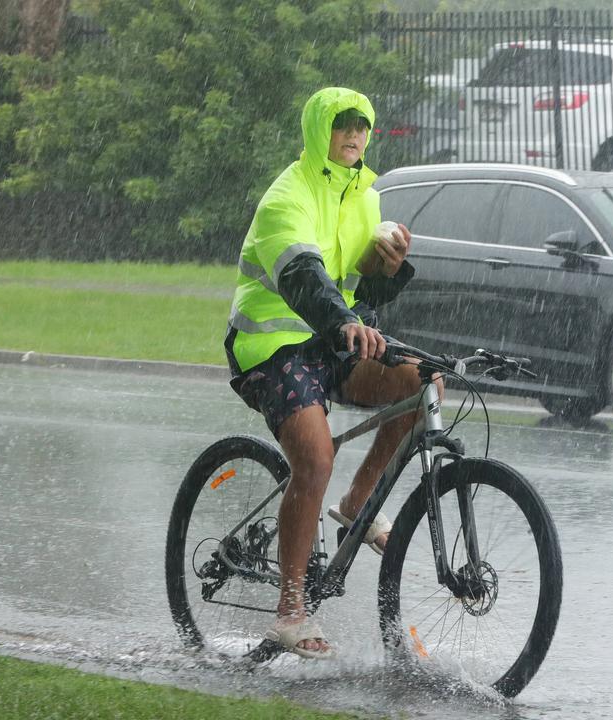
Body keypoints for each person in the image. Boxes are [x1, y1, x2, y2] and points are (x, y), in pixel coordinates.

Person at [224, 87, 428, 659]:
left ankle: (358, 503)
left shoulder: (364, 195)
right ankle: (290, 611)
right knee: (314, 458)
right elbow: (305, 281)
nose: (354, 136)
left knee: (421, 384)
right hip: (271, 345)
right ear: (320, 132)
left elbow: (357, 289)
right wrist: (343, 321)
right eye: (342, 126)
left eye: (362, 126)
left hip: (329, 337)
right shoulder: (286, 197)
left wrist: (387, 269)